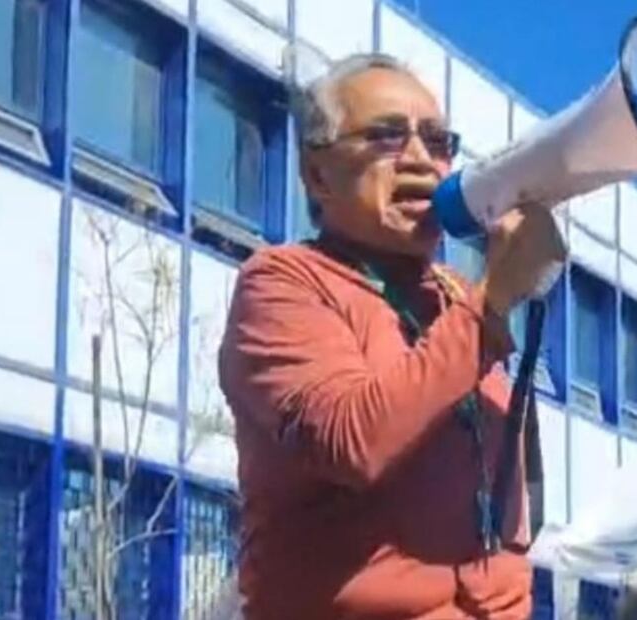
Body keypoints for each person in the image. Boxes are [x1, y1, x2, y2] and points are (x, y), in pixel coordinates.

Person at [219, 53, 565, 619]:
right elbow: (354, 441)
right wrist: (491, 303)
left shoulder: (456, 297)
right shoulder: (284, 281)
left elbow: (517, 503)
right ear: (317, 174)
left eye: (438, 142)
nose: (421, 161)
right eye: (386, 136)